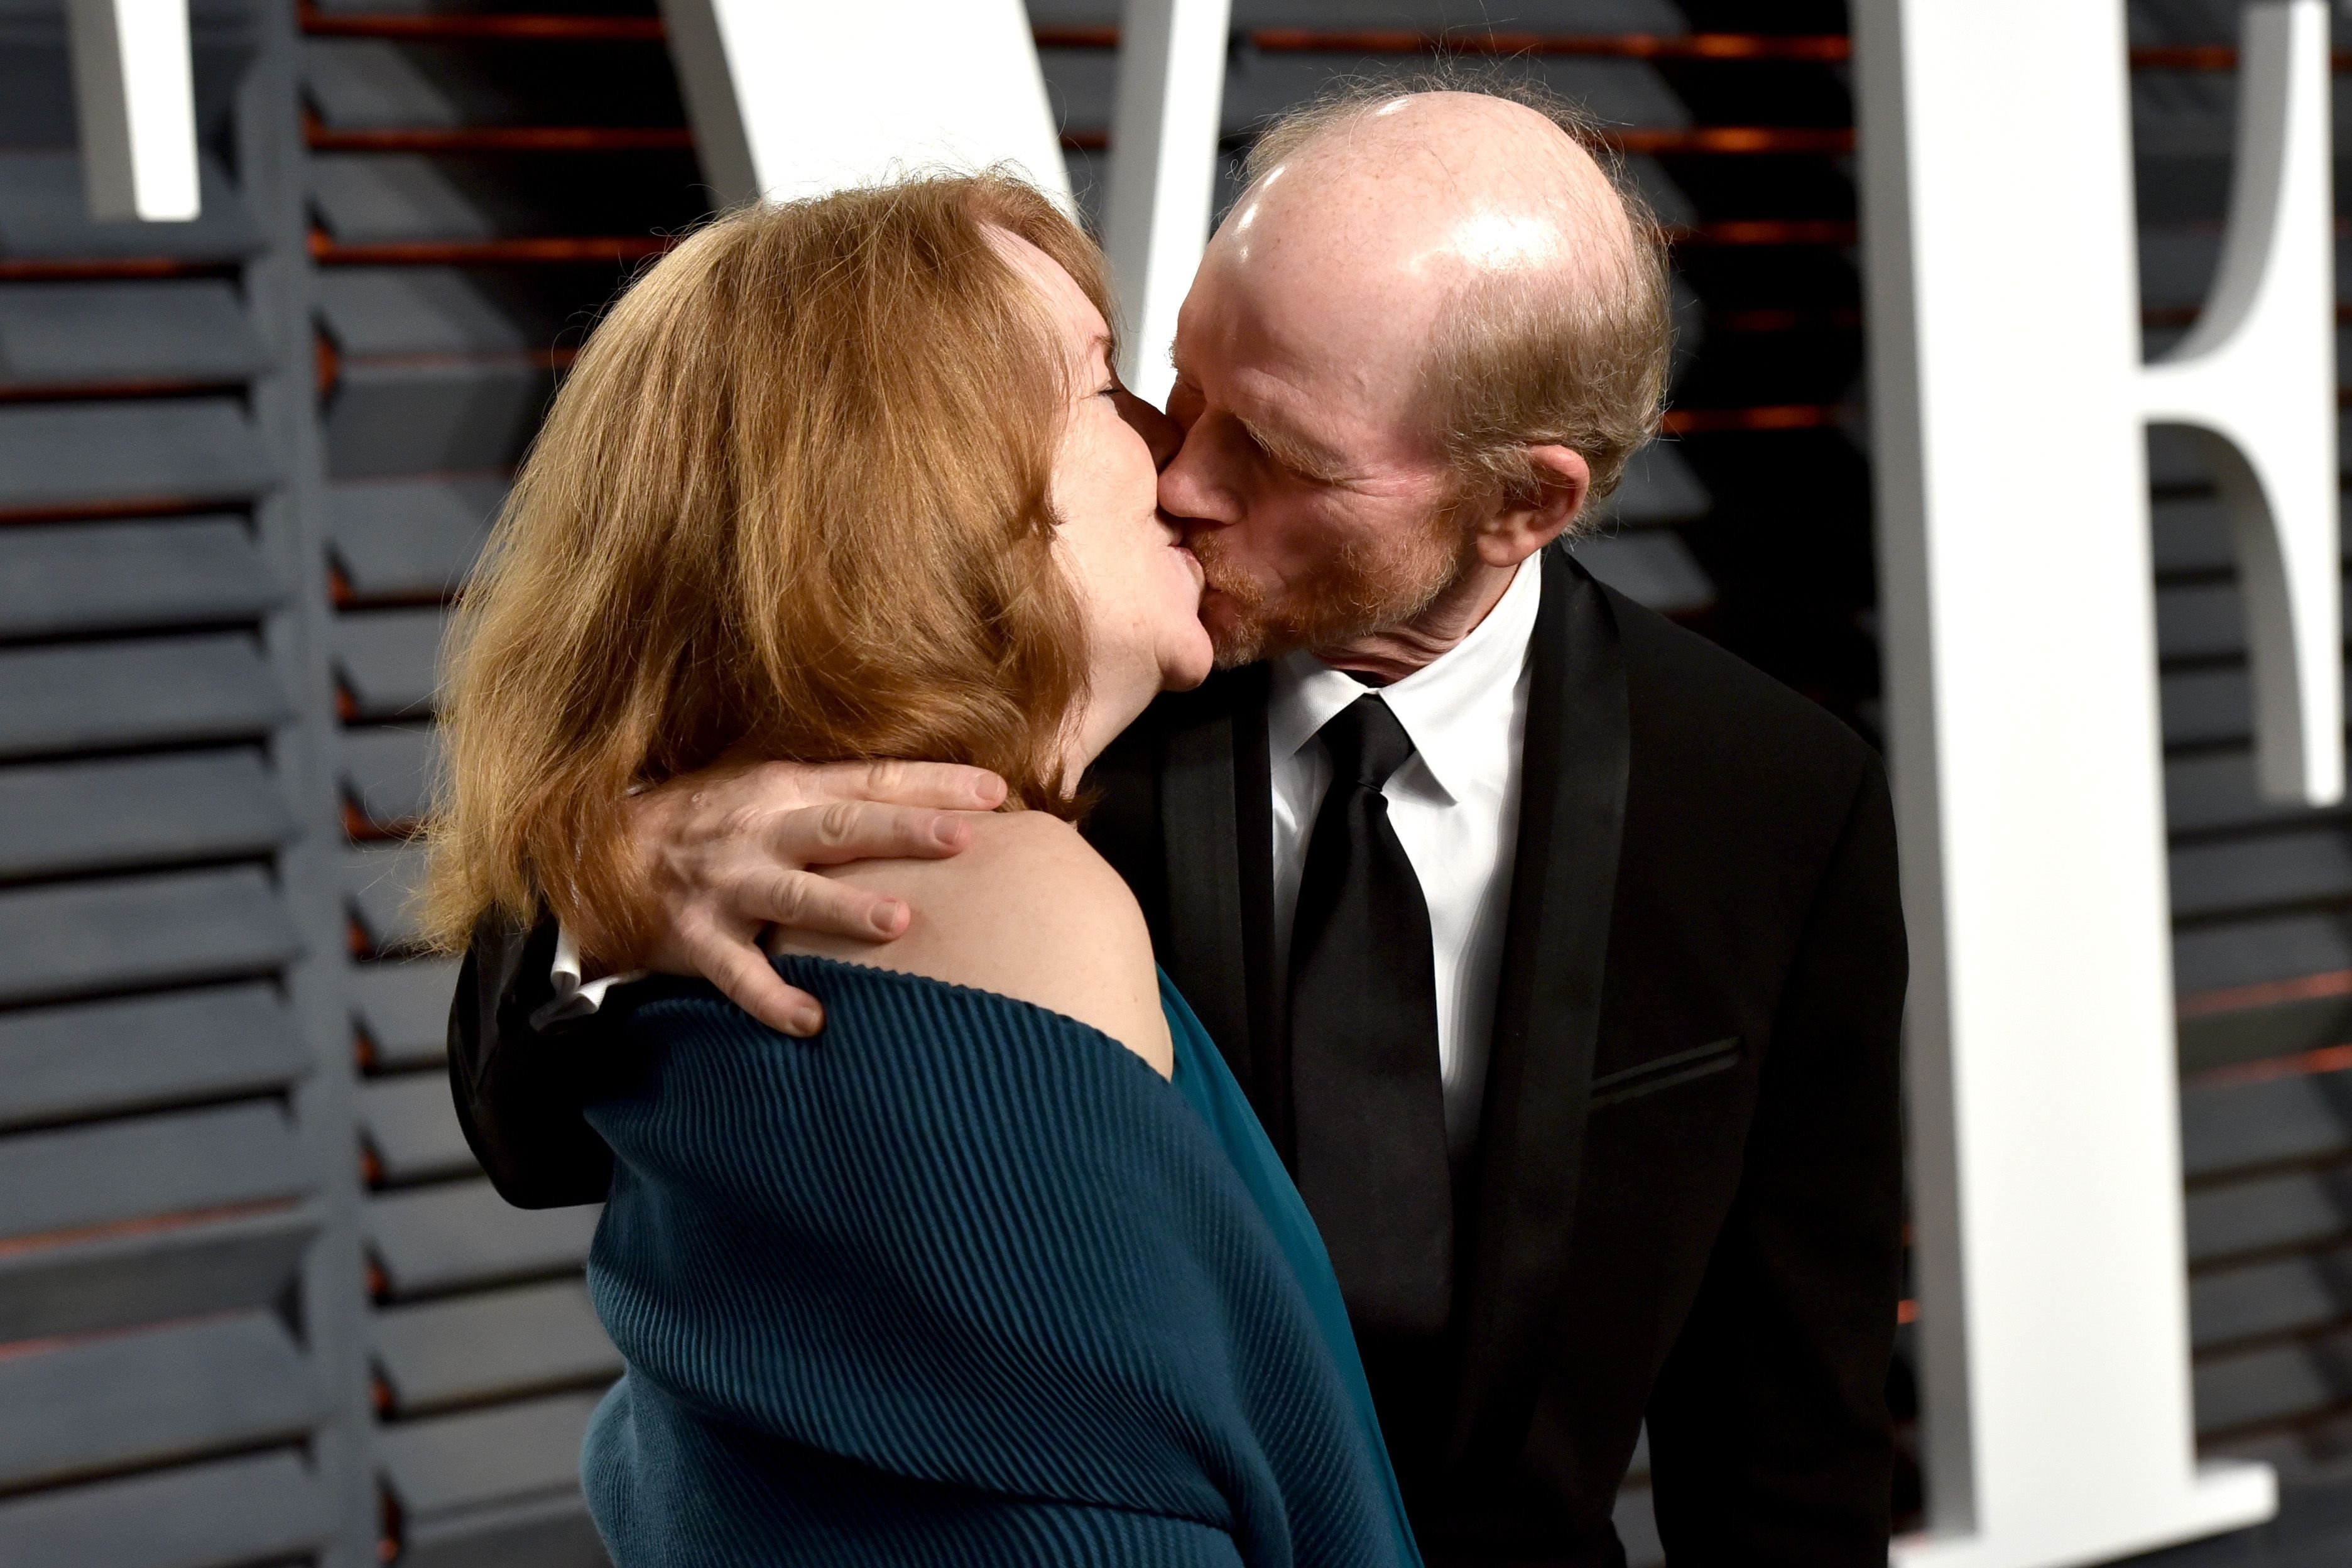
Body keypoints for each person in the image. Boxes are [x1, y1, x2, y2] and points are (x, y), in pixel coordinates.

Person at [449, 87, 1907, 1568]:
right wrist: (603, 892)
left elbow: (1788, 1449)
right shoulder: (1055, 671)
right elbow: (541, 1131)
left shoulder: (1771, 799)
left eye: (1277, 451)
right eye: (1178, 384)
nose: (1184, 473)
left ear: (1519, 503)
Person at [422, 173, 1423, 1567]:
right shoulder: (953, 880)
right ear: (925, 476)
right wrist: (593, 901)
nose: (1176, 446)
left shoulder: (1724, 777)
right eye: (1105, 380)